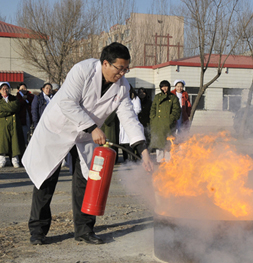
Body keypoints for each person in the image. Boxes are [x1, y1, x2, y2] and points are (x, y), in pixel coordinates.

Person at [22, 42, 153, 246]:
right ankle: (38, 230)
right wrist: (92, 127)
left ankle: (84, 229)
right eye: (120, 68)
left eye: (126, 69)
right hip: (58, 129)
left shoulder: (123, 86)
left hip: (86, 137)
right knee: (46, 180)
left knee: (87, 180)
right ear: (105, 63)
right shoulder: (83, 70)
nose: (122, 73)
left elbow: (128, 117)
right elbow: (67, 102)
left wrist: (142, 149)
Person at [149, 80, 180, 163]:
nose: (164, 88)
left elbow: (176, 110)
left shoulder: (173, 97)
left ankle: (168, 161)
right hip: (158, 124)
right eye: (162, 86)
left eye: (166, 86)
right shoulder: (157, 97)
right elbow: (153, 109)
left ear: (169, 87)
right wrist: (153, 119)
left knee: (168, 144)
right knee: (159, 144)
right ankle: (159, 161)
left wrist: (170, 119)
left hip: (168, 125)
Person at [0, 82, 25, 168]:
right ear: (0, 90)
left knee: (15, 142)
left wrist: (4, 110)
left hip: (14, 124)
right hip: (2, 125)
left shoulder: (14, 99)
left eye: (6, 88)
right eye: (3, 89)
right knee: (2, 142)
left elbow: (15, 107)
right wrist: (10, 110)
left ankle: (15, 160)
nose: (5, 90)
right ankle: (2, 160)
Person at [119, 85, 141, 161]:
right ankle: (126, 160)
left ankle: (132, 160)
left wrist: (127, 114)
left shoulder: (135, 98)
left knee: (130, 142)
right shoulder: (122, 98)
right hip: (123, 122)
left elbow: (138, 109)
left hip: (131, 121)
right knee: (124, 143)